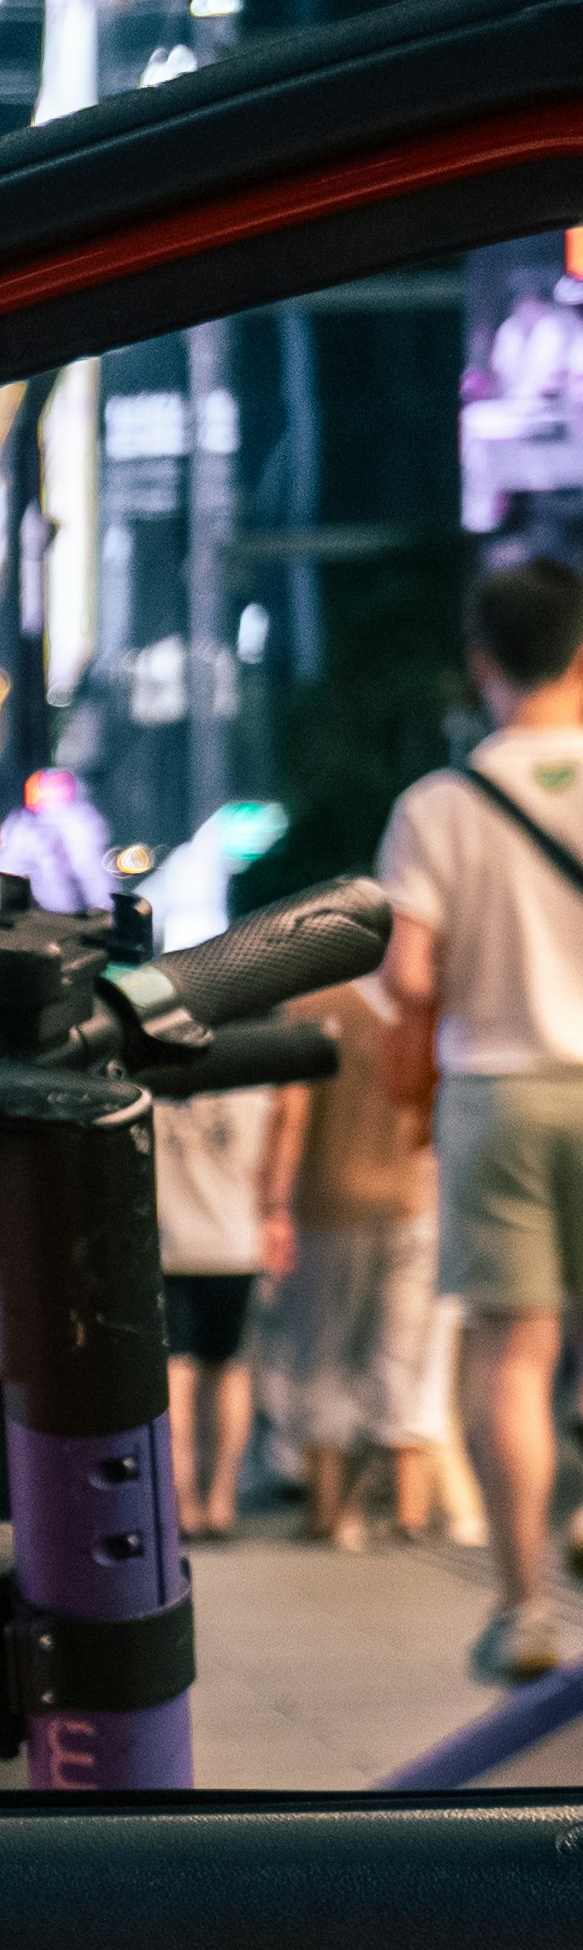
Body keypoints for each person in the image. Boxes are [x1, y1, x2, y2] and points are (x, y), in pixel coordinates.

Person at [372, 552, 583, 1679]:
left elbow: (409, 981)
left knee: (510, 1356)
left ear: (482, 661)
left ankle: (523, 1607)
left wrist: (413, 1107)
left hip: (497, 1090)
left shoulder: (438, 806)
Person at [270, 971, 462, 1550]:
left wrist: (274, 1203)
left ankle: (328, 1513)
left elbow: (291, 1113)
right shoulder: (429, 1003)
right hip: (416, 1200)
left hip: (332, 1202)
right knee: (407, 1356)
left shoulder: (311, 1003)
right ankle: (409, 1513)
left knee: (325, 1352)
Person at [151, 1050, 303, 1542]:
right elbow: (292, 1110)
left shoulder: (153, 1074)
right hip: (233, 1242)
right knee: (229, 1366)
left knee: (176, 1371)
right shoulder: (251, 1079)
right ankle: (221, 1502)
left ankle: (184, 1503)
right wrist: (275, 1205)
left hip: (166, 1242)